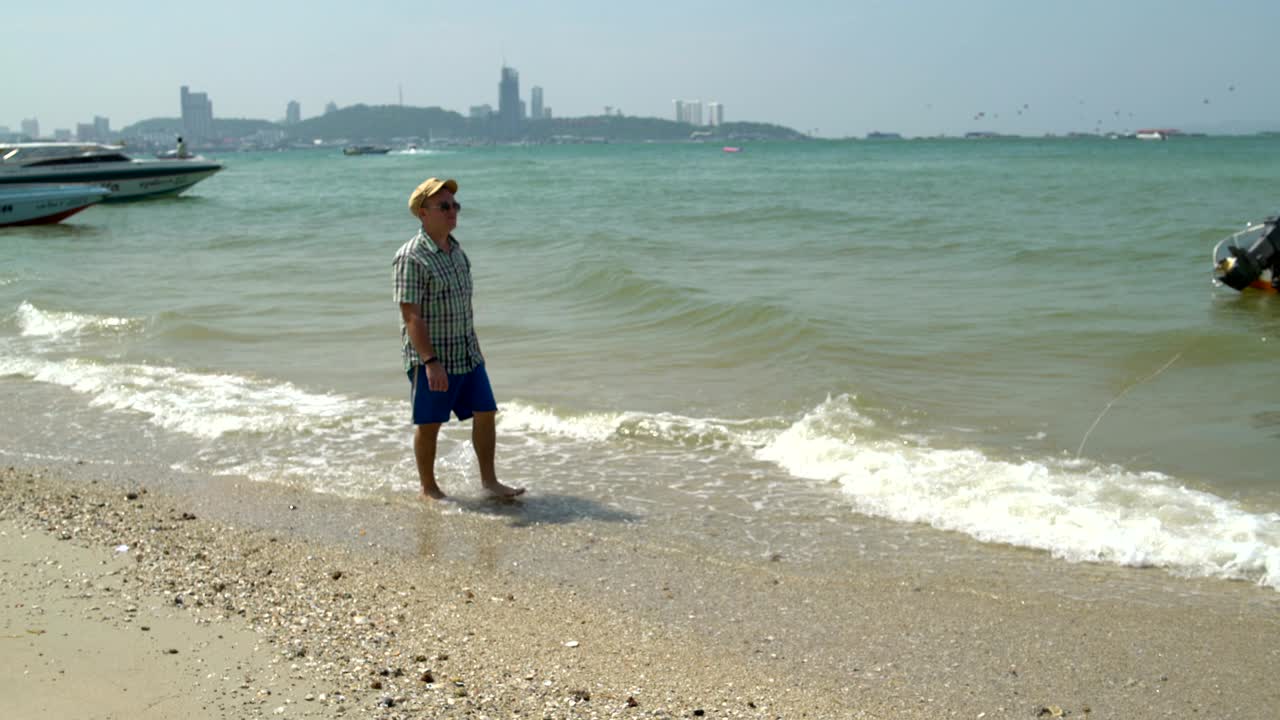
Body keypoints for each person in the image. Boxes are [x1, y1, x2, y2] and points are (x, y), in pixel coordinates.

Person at [393, 177, 524, 501]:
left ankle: (490, 482)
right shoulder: (411, 257)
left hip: (466, 352)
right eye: (444, 206)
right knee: (430, 423)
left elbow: (463, 307)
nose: (452, 211)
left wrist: (476, 349)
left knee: (485, 412)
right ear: (423, 212)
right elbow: (411, 317)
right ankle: (428, 488)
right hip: (433, 357)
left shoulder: (456, 251)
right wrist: (430, 362)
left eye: (455, 205)